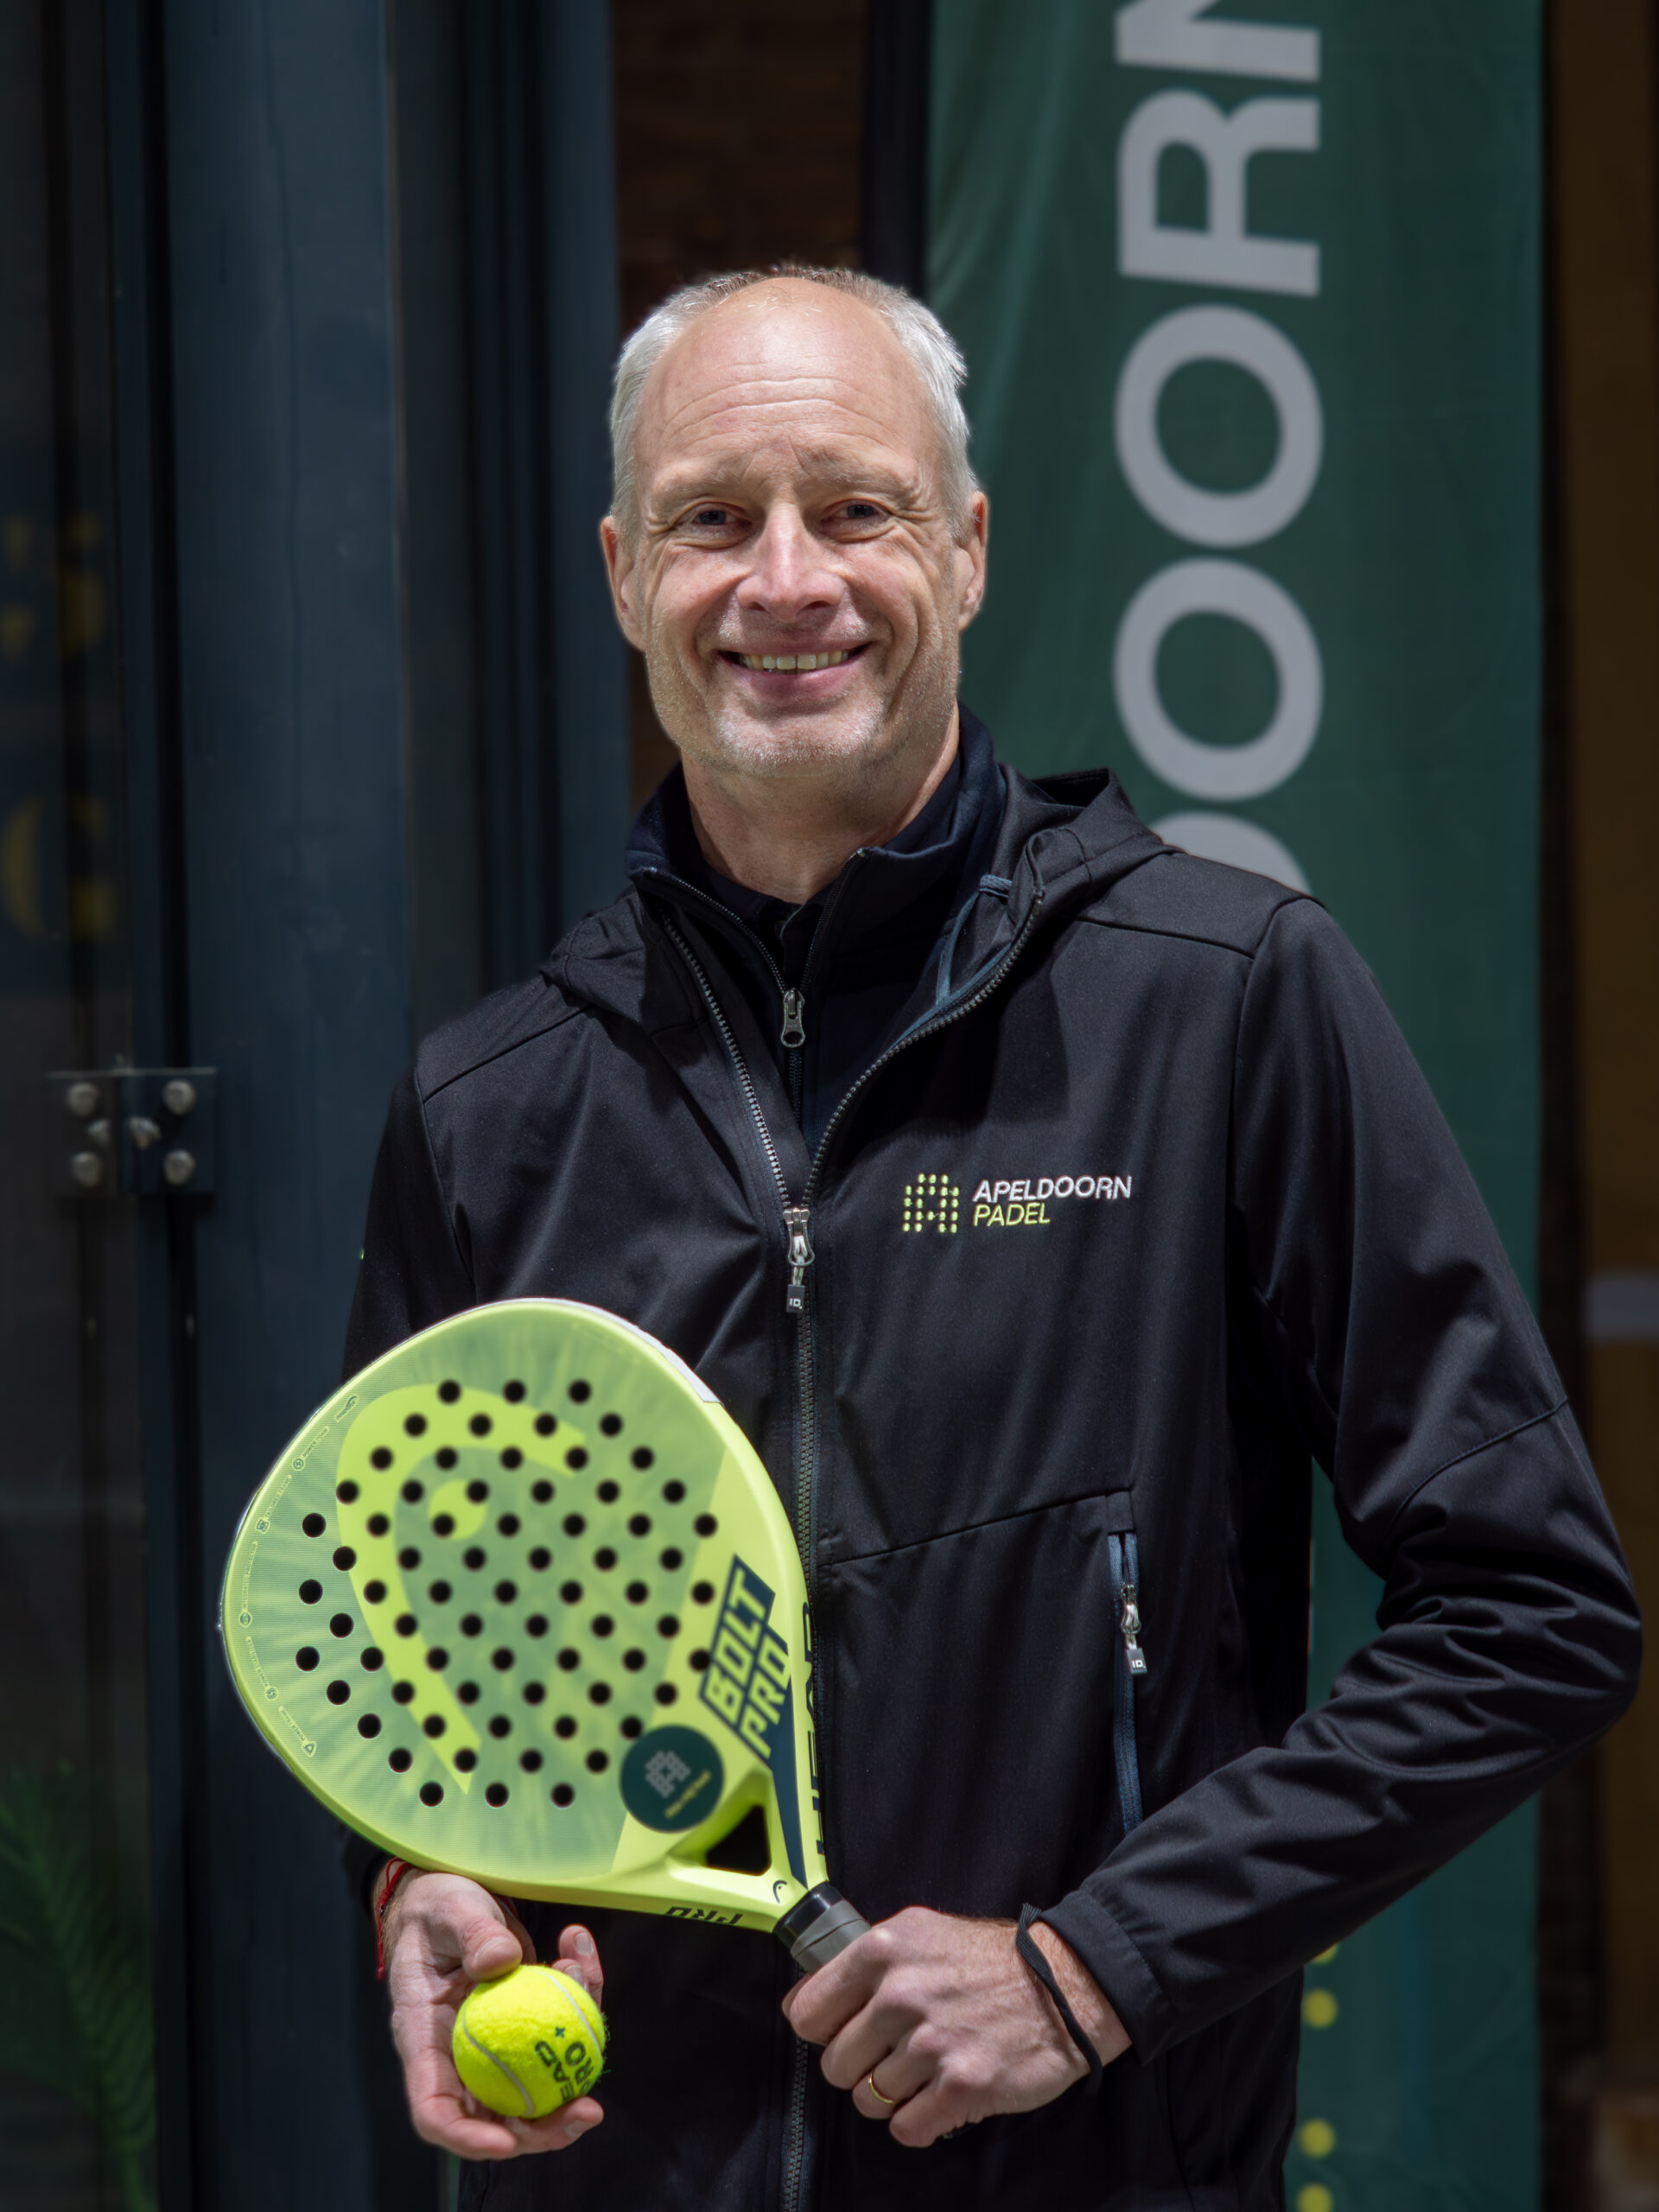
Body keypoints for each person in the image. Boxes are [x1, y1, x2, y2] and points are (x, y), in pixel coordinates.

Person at [347, 267, 1640, 2211]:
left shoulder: (1221, 1001)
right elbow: (416, 1653)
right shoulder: (490, 1106)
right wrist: (420, 1876)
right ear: (624, 574)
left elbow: (1537, 1607)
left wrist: (1097, 1965)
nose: (785, 579)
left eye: (854, 508)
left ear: (963, 552)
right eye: (712, 518)